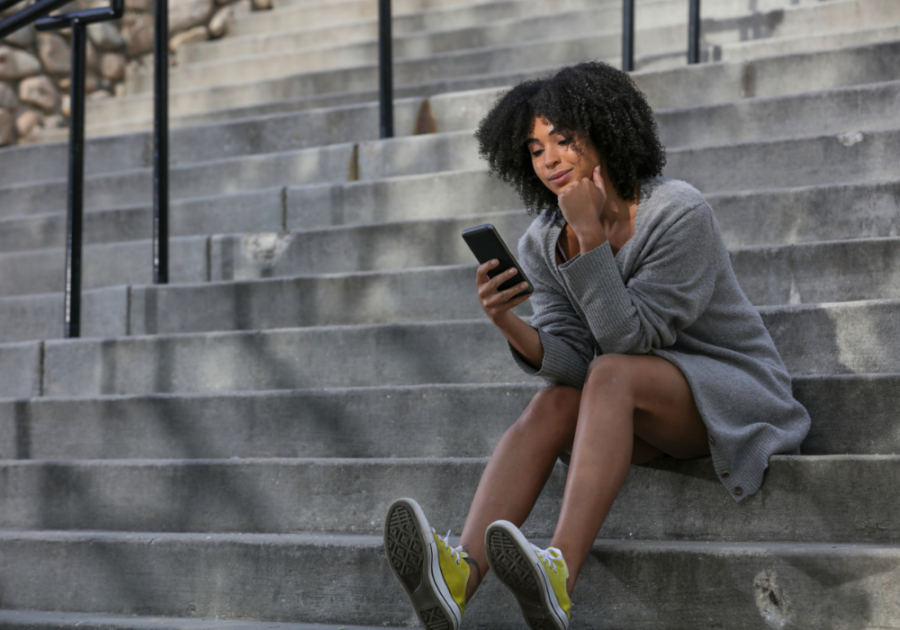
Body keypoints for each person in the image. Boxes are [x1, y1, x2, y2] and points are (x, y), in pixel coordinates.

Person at [382, 61, 810, 630]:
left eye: (564, 141)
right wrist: (508, 321)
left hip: (730, 397)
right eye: (535, 150)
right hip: (635, 405)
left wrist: (588, 241)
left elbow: (629, 340)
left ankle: (558, 573)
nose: (550, 160)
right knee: (556, 401)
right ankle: (460, 573)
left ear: (605, 134)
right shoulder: (542, 240)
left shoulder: (677, 213)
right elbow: (574, 359)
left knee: (613, 371)